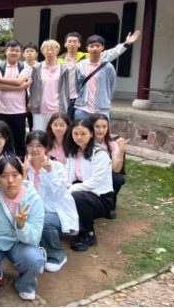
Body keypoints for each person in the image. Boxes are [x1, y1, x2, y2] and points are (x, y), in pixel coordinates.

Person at [0, 155, 45, 302]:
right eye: (4, 176)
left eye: (15, 175)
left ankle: (25, 284)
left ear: (22, 175)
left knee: (33, 259)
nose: (10, 180)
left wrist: (22, 225)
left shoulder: (34, 199)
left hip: (20, 243)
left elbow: (35, 236)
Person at [24, 131, 78, 273]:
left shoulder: (57, 167)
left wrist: (49, 172)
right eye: (30, 145)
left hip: (55, 213)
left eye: (39, 145)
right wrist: (23, 177)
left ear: (46, 147)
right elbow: (20, 197)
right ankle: (37, 254)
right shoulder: (23, 166)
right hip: (31, 211)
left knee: (43, 220)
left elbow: (57, 195)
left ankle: (57, 256)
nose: (34, 149)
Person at [59, 31, 141, 121]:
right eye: (70, 41)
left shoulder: (87, 57)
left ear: (79, 44)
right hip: (64, 98)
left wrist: (126, 44)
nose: (72, 44)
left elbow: (110, 53)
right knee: (65, 124)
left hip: (80, 98)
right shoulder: (58, 60)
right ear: (65, 44)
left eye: (75, 42)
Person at [65, 119, 114, 252]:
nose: (79, 137)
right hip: (83, 190)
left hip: (101, 197)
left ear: (91, 134)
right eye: (75, 134)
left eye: (83, 133)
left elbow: (95, 181)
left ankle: (88, 234)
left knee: (78, 197)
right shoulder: (73, 151)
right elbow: (68, 175)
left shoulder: (100, 153)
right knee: (64, 192)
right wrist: (65, 186)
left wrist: (72, 189)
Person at [0, 40, 32, 158]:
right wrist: (21, 87)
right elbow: (0, 87)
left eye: (17, 50)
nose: (14, 53)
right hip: (1, 110)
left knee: (19, 142)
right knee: (2, 140)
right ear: (6, 51)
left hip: (19, 110)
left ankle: (19, 164)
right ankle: (2, 163)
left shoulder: (25, 66)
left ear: (21, 53)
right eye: (11, 50)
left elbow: (19, 81)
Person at [90, 113, 128, 219]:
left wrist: (121, 149)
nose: (101, 130)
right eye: (97, 126)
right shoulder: (85, 141)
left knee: (117, 178)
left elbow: (116, 169)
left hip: (105, 172)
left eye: (104, 126)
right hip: (88, 171)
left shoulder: (111, 144)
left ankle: (110, 203)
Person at [29, 40, 70, 132]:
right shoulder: (37, 68)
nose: (50, 52)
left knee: (56, 134)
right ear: (43, 52)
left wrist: (65, 104)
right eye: (47, 50)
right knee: (39, 134)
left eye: (53, 49)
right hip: (40, 108)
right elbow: (32, 87)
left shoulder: (63, 69)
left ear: (57, 51)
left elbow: (66, 89)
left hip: (58, 108)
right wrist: (30, 102)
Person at [74, 36, 117, 120]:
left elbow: (111, 87)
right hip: (83, 108)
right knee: (81, 128)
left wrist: (106, 100)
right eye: (91, 46)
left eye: (97, 46)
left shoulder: (108, 67)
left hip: (102, 108)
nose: (94, 49)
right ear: (87, 48)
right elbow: (77, 85)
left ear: (103, 47)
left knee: (101, 129)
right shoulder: (80, 66)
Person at [23, 43, 39, 132]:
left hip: (35, 100)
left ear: (36, 54)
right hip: (20, 100)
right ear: (23, 54)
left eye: (32, 51)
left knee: (34, 126)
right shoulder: (19, 66)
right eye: (27, 51)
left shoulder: (40, 67)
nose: (29, 53)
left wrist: (31, 101)